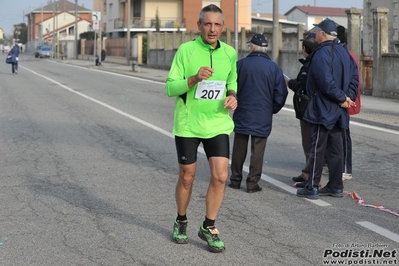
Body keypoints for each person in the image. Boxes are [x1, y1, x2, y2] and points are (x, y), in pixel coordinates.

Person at [165, 4, 238, 253]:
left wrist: (232, 95)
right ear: (199, 26)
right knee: (187, 177)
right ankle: (181, 220)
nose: (212, 29)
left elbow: (232, 79)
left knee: (220, 176)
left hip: (218, 123)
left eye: (217, 24)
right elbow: (170, 87)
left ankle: (209, 226)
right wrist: (194, 78)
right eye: (207, 23)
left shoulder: (229, 53)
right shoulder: (186, 50)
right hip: (188, 124)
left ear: (223, 28)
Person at [296, 18, 358, 199]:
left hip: (323, 108)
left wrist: (342, 98)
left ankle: (312, 186)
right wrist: (347, 98)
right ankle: (336, 186)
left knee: (317, 147)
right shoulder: (345, 53)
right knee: (336, 149)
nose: (314, 34)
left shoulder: (321, 54)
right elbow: (355, 79)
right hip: (339, 110)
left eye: (316, 32)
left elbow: (325, 82)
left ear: (323, 34)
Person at [229, 34, 288, 193]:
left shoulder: (240, 65)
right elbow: (281, 94)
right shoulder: (275, 68)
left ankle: (235, 180)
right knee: (258, 151)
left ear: (252, 47)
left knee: (239, 148)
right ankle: (252, 183)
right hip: (262, 114)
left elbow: (230, 86)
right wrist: (272, 108)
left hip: (242, 112)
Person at [286, 33, 319, 188]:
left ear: (305, 49)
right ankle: (307, 172)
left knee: (309, 143)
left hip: (308, 109)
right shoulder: (316, 62)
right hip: (311, 108)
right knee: (310, 143)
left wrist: (289, 82)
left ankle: (310, 177)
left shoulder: (310, 65)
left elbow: (302, 86)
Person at [337, 25, 362, 181]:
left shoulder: (348, 55)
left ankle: (347, 168)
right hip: (341, 100)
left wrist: (346, 99)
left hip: (345, 102)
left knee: (344, 135)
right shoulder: (345, 54)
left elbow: (355, 81)